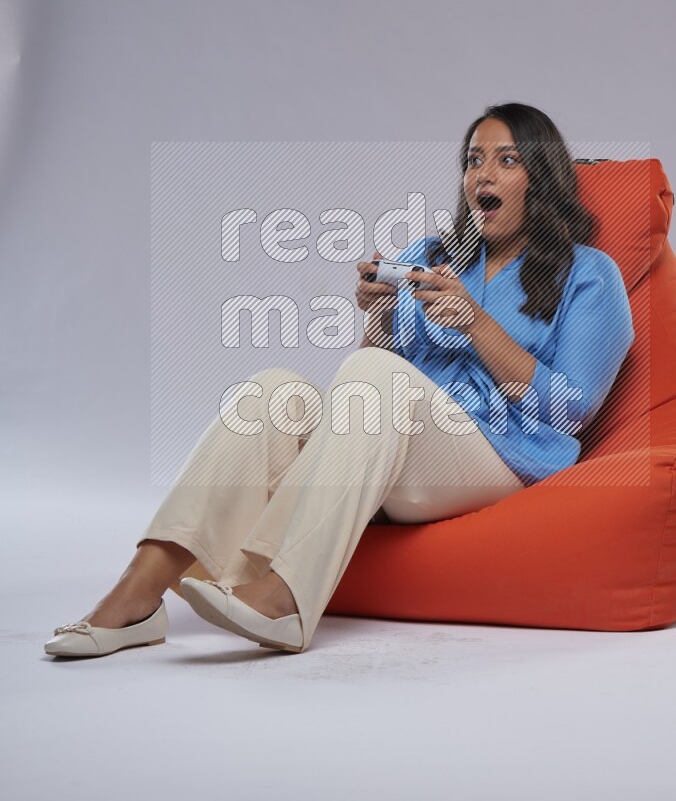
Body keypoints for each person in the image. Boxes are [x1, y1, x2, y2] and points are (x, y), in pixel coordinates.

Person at [44, 103, 635, 659]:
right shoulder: (436, 255)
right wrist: (377, 315)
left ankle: (284, 595)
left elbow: (571, 409)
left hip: (500, 458)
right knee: (271, 392)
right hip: (401, 451)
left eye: (508, 160)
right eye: (474, 159)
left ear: (544, 178)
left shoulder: (589, 274)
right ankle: (138, 593)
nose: (485, 173)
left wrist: (476, 321)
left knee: (376, 377)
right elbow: (373, 372)